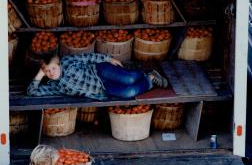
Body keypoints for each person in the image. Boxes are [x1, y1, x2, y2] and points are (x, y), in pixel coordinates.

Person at [27, 53, 168, 100]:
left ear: (58, 64)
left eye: (53, 68)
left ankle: (142, 73)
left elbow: (87, 57)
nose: (51, 73)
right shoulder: (54, 86)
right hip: (102, 89)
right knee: (128, 92)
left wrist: (107, 58)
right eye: (48, 72)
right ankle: (150, 79)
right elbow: (31, 92)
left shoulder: (67, 62)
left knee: (128, 79)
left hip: (100, 71)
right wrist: (40, 73)